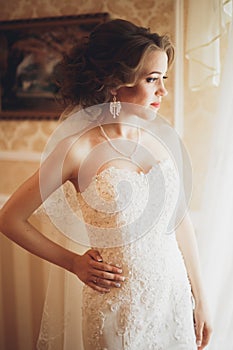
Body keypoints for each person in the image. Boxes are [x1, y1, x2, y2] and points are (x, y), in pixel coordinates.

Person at [0, 19, 212, 350]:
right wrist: (73, 262)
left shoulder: (162, 140)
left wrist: (201, 297)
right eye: (152, 79)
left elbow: (179, 218)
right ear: (115, 83)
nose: (163, 91)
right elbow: (9, 218)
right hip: (118, 308)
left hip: (173, 298)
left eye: (163, 79)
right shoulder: (77, 149)